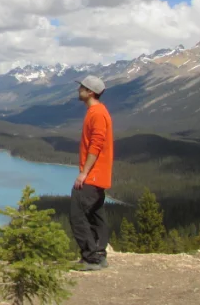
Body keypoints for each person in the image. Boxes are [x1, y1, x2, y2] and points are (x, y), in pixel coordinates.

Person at [70, 75, 113, 271]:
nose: (79, 89)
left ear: (90, 92)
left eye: (82, 87)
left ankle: (91, 258)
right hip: (98, 174)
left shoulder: (96, 113)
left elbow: (96, 145)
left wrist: (83, 173)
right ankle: (99, 255)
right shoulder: (97, 111)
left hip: (92, 175)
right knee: (96, 214)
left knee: (77, 214)